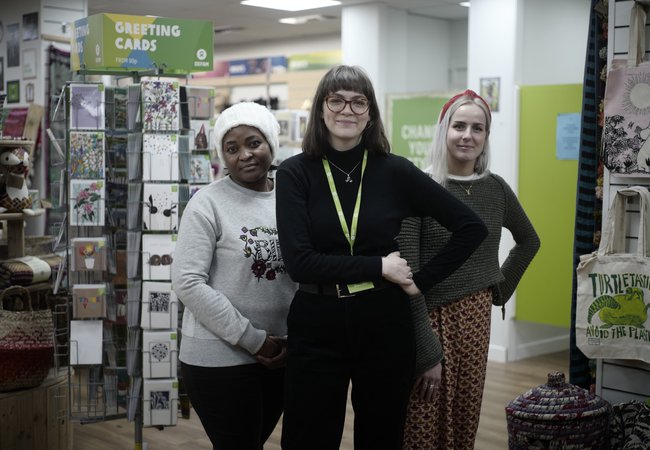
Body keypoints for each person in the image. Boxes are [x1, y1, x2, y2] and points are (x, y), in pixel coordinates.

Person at [275, 65, 488, 450]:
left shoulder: (394, 171)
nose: (347, 110)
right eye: (336, 99)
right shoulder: (294, 173)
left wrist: (419, 282)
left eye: (359, 102)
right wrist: (379, 266)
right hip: (317, 320)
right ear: (322, 109)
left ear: (370, 113)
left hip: (383, 320)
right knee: (308, 437)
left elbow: (471, 228)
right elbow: (299, 262)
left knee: (382, 436)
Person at [398, 89, 541, 450]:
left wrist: (499, 288)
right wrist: (426, 350)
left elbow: (529, 241)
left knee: (464, 418)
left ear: (486, 137)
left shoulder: (495, 189)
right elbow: (407, 277)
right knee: (421, 421)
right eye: (458, 126)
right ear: (443, 130)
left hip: (476, 319)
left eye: (478, 128)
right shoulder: (419, 187)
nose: (467, 135)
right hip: (427, 318)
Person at [171, 102, 297, 450]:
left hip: (280, 354)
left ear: (270, 143)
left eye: (253, 142)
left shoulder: (291, 198)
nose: (245, 154)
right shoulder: (207, 203)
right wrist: (254, 340)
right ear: (222, 156)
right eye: (232, 148)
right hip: (220, 357)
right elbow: (187, 282)